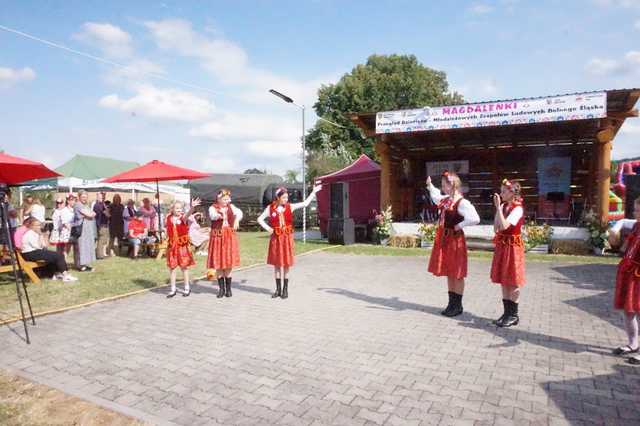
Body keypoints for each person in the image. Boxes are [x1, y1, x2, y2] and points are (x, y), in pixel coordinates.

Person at [426, 171, 480, 317]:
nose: (443, 186)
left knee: (457, 273)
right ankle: (451, 303)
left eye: (445, 184)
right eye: (442, 184)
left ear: (453, 185)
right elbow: (436, 197)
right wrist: (430, 186)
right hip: (446, 240)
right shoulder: (446, 199)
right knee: (449, 272)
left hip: (455, 240)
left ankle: (458, 305)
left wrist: (458, 226)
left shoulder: (461, 202)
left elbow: (475, 218)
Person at [258, 185, 321, 299]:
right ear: (278, 198)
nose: (286, 200)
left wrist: (313, 192)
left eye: (287, 197)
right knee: (277, 264)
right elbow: (260, 219)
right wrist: (268, 229)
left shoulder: (289, 207)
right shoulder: (270, 208)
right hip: (276, 238)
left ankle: (285, 289)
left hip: (286, 238)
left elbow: (305, 203)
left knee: (286, 263)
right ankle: (277, 289)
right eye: (284, 198)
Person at [490, 179, 526, 327]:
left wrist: (498, 208)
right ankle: (506, 313)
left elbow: (504, 226)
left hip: (513, 248)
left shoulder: (518, 208)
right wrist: (499, 209)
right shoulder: (504, 206)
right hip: (503, 246)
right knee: (504, 281)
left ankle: (514, 315)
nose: (501, 193)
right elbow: (496, 228)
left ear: (512, 193)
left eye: (504, 191)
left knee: (513, 281)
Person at [613, 197, 640, 364]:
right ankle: (633, 343)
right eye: (636, 210)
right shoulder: (637, 225)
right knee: (628, 310)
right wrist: (615, 231)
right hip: (630, 273)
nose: (636, 213)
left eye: (638, 211)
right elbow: (623, 222)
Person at [207, 189, 243, 298]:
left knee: (228, 262)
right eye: (224, 199)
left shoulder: (231, 207)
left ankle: (228, 289)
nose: (227, 201)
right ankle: (221, 289)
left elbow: (240, 213)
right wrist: (220, 214)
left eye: (228, 199)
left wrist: (236, 220)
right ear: (219, 199)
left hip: (228, 236)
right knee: (218, 262)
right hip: (218, 237)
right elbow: (213, 216)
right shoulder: (213, 208)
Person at [166, 199, 201, 298]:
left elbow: (188, 214)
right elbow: (167, 229)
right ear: (172, 209)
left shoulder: (183, 218)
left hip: (182, 247)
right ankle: (173, 289)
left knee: (184, 267)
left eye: (180, 208)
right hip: (172, 246)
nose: (179, 210)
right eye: (177, 208)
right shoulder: (168, 218)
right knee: (172, 268)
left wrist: (192, 207)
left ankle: (186, 287)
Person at [73, 190, 97, 272]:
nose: (84, 199)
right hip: (81, 229)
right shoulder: (78, 205)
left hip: (86, 230)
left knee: (85, 247)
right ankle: (80, 266)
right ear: (79, 197)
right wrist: (88, 215)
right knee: (81, 247)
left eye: (86, 197)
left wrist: (89, 214)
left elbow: (94, 213)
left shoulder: (85, 205)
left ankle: (83, 264)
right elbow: (91, 214)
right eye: (83, 197)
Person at [93, 192, 109, 259]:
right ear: (97, 197)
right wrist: (107, 212)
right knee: (101, 240)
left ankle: (101, 254)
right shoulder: (97, 205)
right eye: (101, 197)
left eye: (103, 197)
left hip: (103, 224)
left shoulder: (102, 204)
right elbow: (106, 214)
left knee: (103, 240)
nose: (102, 198)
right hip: (101, 225)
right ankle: (100, 255)